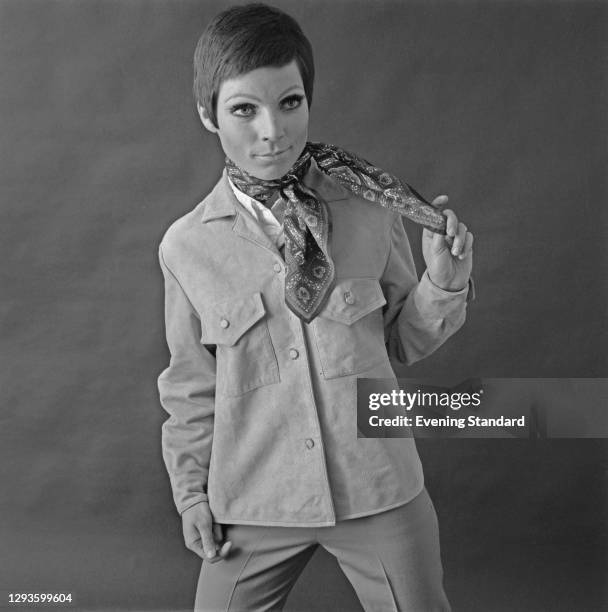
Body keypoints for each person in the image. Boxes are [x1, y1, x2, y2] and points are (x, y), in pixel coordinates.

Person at [157, 3, 474, 610]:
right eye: (243, 110)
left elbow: (402, 340)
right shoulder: (187, 246)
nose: (271, 130)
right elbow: (190, 388)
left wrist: (444, 285)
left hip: (376, 487)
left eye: (289, 102)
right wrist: (192, 496)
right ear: (208, 114)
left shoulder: (370, 206)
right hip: (255, 495)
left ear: (308, 99)